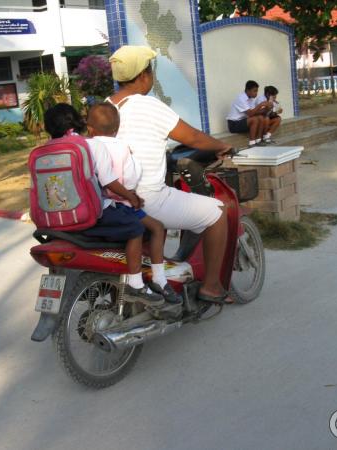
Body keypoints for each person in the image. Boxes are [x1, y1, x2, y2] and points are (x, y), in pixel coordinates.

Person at [108, 45, 233, 304]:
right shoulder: (149, 105)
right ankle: (211, 286)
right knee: (218, 213)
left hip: (112, 200)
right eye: (151, 71)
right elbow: (194, 138)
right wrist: (222, 146)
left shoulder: (105, 109)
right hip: (147, 199)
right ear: (144, 75)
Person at [43, 103, 164, 307]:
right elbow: (109, 182)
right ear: (80, 123)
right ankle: (135, 286)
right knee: (136, 228)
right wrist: (131, 197)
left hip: (54, 220)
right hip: (88, 215)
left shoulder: (44, 151)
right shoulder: (90, 145)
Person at [86, 102, 180, 303]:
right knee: (156, 227)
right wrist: (132, 196)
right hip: (118, 205)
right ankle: (157, 279)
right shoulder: (121, 147)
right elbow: (131, 178)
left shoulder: (84, 146)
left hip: (91, 206)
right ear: (117, 129)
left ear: (89, 128)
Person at [226, 80, 274, 147]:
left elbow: (255, 112)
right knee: (254, 119)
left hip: (243, 121)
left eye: (257, 91)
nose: (256, 93)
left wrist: (267, 109)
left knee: (261, 117)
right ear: (248, 91)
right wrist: (260, 105)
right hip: (234, 124)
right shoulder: (241, 98)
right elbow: (251, 114)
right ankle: (252, 143)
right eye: (254, 91)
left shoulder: (251, 98)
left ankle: (258, 140)